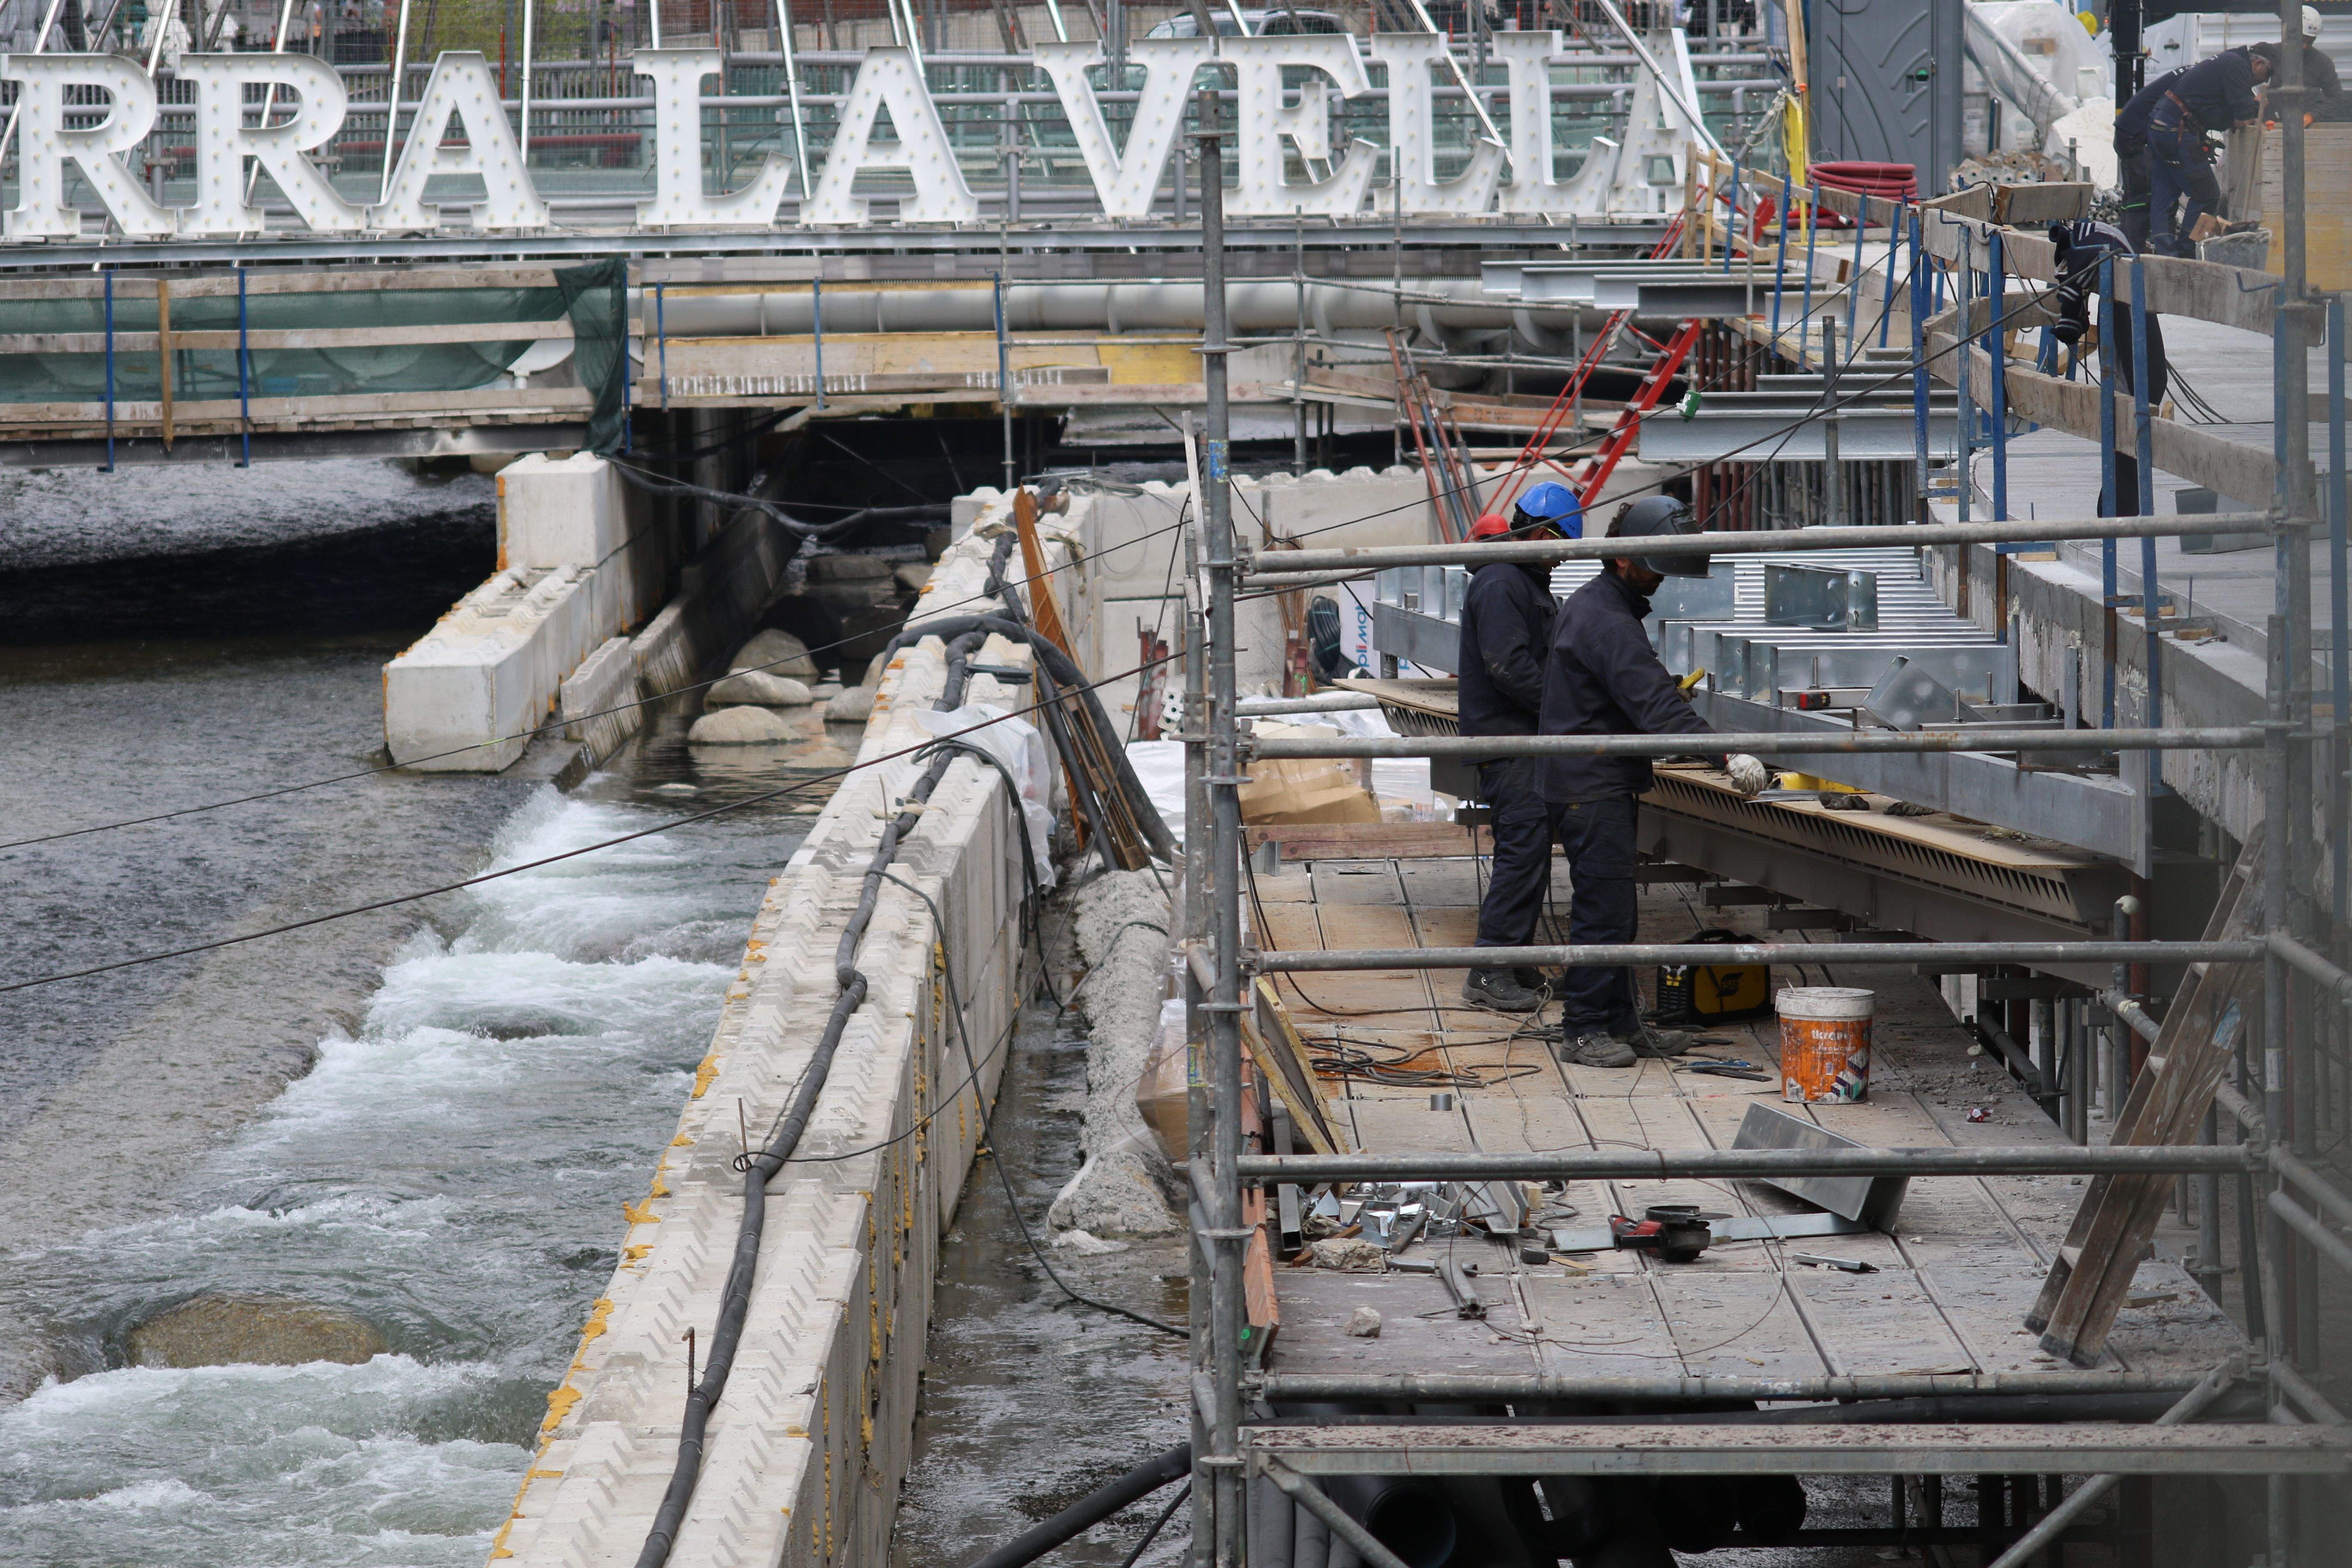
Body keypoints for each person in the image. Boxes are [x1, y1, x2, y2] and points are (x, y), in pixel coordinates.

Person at [1537, 497, 1770, 1068]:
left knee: (1617, 910)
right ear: (1623, 561)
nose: (1660, 579)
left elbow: (1632, 693)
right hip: (1591, 784)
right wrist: (1727, 754)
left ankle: (1621, 1021)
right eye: (1653, 566)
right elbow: (1654, 706)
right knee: (1603, 913)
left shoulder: (1601, 607)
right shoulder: (1607, 619)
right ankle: (1584, 1029)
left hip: (1595, 777)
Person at [1456, 481, 1580, 1012]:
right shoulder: (1504, 582)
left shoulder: (1522, 580)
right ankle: (1488, 971)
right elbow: (1509, 668)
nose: (1560, 560)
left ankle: (1513, 958)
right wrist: (1566, 711)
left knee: (1528, 854)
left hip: (1524, 741)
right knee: (1521, 852)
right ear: (1545, 534)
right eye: (1560, 546)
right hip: (1510, 745)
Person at [2146, 43, 2272, 256]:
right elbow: (2242, 119)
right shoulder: (2237, 66)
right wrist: (2257, 105)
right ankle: (2188, 250)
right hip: (2176, 130)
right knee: (2208, 195)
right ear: (2259, 63)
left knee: (2165, 195)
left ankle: (2166, 255)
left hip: (2161, 125)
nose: (2263, 82)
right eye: (2265, 76)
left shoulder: (2227, 61)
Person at [2113, 64, 2186, 253]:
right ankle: (2132, 254)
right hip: (2135, 138)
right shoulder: (2193, 80)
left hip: (2131, 134)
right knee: (2143, 198)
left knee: (2136, 197)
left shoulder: (2189, 75)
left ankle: (2129, 250)